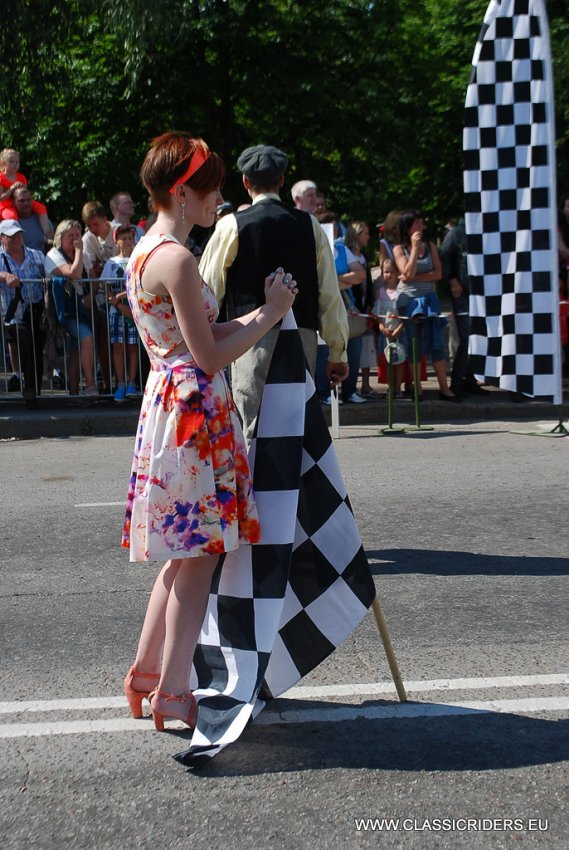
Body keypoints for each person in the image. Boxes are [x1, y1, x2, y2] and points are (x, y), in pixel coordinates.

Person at [120, 131, 297, 731]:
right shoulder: (176, 258)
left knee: (182, 556)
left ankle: (147, 676)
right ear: (181, 192)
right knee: (197, 558)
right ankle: (171, 691)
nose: (218, 198)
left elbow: (199, 338)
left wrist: (261, 312)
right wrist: (270, 314)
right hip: (193, 410)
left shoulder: (148, 251)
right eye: (210, 188)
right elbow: (209, 355)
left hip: (173, 404)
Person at [199, 144, 349, 441]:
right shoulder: (310, 225)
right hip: (302, 336)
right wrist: (337, 352)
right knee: (297, 430)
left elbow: (208, 290)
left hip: (247, 338)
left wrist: (203, 342)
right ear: (281, 180)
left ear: (245, 181)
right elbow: (329, 295)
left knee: (252, 428)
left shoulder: (231, 225)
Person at [393, 210, 460, 402]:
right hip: (409, 301)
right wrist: (414, 249)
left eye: (421, 223)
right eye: (415, 223)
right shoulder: (399, 249)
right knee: (413, 344)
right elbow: (406, 271)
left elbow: (438, 274)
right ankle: (417, 388)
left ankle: (444, 388)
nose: (419, 227)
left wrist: (414, 277)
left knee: (437, 343)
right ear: (407, 227)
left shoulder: (430, 246)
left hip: (429, 300)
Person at [44, 220, 99, 396]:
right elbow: (74, 273)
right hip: (64, 311)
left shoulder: (82, 254)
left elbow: (94, 280)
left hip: (82, 308)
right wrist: (80, 251)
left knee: (77, 349)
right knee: (86, 337)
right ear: (60, 238)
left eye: (77, 234)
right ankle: (90, 384)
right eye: (71, 235)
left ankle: (74, 394)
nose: (75, 238)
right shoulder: (53, 255)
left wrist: (90, 296)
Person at [439, 217, 488, 397]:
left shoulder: (486, 230)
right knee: (465, 339)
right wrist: (452, 280)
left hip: (482, 292)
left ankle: (470, 379)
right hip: (462, 293)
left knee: (478, 337)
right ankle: (457, 382)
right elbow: (443, 256)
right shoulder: (457, 232)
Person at [0, 220, 47, 406]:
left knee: (37, 348)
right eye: (11, 236)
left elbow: (51, 272)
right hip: (13, 316)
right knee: (25, 339)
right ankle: (29, 388)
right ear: (2, 238)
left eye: (19, 234)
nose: (17, 238)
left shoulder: (37, 255)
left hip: (36, 312)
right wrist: (3, 275)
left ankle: (35, 392)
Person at [100, 224, 139, 401]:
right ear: (117, 242)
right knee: (118, 346)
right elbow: (105, 285)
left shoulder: (137, 260)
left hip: (132, 309)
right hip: (115, 311)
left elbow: (137, 285)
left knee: (132, 346)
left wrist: (121, 297)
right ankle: (121, 383)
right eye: (124, 238)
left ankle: (132, 383)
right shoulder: (111, 262)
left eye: (130, 238)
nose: (128, 241)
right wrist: (113, 301)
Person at [0, 149, 53, 246]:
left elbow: (25, 193)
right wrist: (12, 188)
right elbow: (1, 198)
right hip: (6, 205)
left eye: (17, 162)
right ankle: (21, 242)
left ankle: (47, 235)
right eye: (11, 162)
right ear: (4, 163)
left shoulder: (21, 177)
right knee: (11, 217)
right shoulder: (1, 178)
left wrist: (22, 187)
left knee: (41, 207)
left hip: (20, 201)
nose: (15, 164)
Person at [374, 257, 406, 398]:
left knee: (399, 361)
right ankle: (390, 388)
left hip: (400, 333)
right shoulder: (380, 292)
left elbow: (405, 314)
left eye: (392, 272)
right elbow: (377, 313)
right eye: (386, 272)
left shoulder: (402, 291)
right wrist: (381, 327)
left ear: (397, 273)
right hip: (385, 334)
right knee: (388, 361)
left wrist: (399, 329)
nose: (389, 275)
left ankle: (398, 388)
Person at [10, 185, 54, 253]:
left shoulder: (44, 222)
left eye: (29, 200)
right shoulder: (9, 225)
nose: (26, 203)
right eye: (21, 201)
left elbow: (51, 246)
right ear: (13, 203)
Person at [81, 201, 118, 276]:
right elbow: (91, 269)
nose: (92, 229)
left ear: (104, 220)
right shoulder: (87, 238)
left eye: (95, 224)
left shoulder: (119, 232)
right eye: (89, 226)